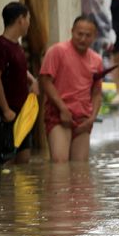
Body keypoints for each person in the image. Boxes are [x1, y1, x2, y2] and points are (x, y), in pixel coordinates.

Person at [40, 16, 104, 163]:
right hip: (59, 115)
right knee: (60, 164)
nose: (83, 39)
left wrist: (92, 118)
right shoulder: (56, 51)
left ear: (94, 37)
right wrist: (62, 109)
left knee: (80, 169)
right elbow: (45, 81)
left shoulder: (96, 60)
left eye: (88, 35)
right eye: (79, 34)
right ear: (72, 32)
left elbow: (96, 93)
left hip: (83, 118)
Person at [0, 2, 39, 164]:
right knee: (8, 164)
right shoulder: (0, 46)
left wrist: (32, 80)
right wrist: (6, 110)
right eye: (28, 19)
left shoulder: (16, 45)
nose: (29, 23)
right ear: (21, 19)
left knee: (23, 160)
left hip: (21, 113)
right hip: (7, 117)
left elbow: (19, 68)